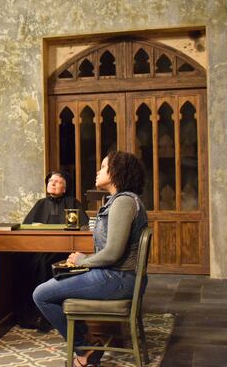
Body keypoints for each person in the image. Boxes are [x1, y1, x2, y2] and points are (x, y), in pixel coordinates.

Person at [33, 151, 147, 367]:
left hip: (118, 278)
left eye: (103, 167)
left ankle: (84, 348)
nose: (98, 171)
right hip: (115, 276)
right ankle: (87, 344)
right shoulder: (119, 200)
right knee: (55, 284)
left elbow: (113, 253)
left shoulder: (123, 202)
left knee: (41, 294)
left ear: (116, 172)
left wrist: (82, 261)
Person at [15, 171, 89, 331]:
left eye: (57, 181)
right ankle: (31, 313)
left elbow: (84, 228)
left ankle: (47, 314)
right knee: (24, 261)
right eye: (50, 181)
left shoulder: (73, 202)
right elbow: (26, 228)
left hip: (64, 250)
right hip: (40, 249)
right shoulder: (40, 204)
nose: (53, 183)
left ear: (65, 188)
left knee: (45, 262)